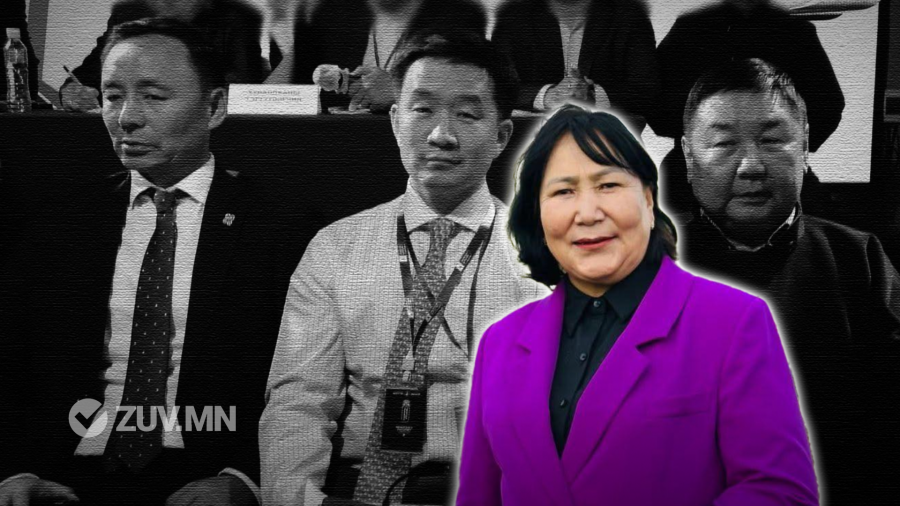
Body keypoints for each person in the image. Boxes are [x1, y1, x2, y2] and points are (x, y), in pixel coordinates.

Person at [456, 104, 818, 505]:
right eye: (563, 191)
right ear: (537, 217)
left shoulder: (734, 322)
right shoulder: (499, 343)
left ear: (647, 199)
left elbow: (781, 492)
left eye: (608, 185)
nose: (587, 213)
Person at [0, 18, 297, 506]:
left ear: (215, 107)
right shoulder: (59, 222)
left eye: (154, 97)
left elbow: (302, 384)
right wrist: (16, 469)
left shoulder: (280, 225)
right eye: (112, 96)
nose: (127, 118)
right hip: (63, 474)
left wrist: (242, 479)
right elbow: (9, 361)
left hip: (208, 470)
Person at [260, 32, 546, 506]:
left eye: (467, 114)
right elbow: (299, 403)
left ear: (501, 136)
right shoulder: (336, 247)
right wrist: (302, 500)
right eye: (423, 109)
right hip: (358, 491)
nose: (441, 135)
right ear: (395, 121)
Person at [680, 58, 900, 504]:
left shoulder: (859, 260)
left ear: (805, 147)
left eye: (771, 140)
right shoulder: (640, 263)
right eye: (723, 143)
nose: (750, 166)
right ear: (688, 156)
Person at [649, 0, 844, 219]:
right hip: (693, 167)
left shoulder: (796, 30)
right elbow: (656, 107)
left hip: (700, 162)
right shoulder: (689, 28)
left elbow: (828, 107)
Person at [271, 0, 487, 112]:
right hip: (336, 150)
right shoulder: (329, 13)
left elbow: (473, 96)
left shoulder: (458, 15)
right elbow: (268, 100)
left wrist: (399, 91)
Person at [59, 0, 266, 112]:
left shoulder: (236, 20)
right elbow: (88, 75)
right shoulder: (128, 16)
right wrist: (72, 92)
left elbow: (242, 94)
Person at [492, 0, 659, 130]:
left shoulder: (631, 17)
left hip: (610, 141)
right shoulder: (513, 17)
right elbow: (496, 86)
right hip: (525, 142)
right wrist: (547, 95)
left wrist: (595, 96)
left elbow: (648, 91)